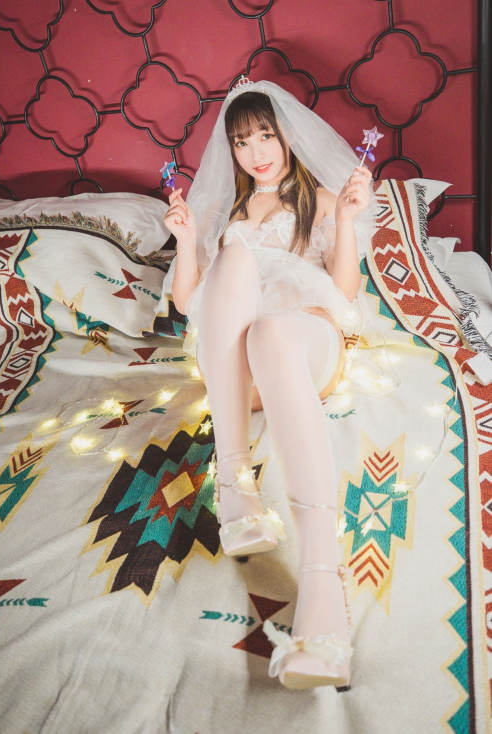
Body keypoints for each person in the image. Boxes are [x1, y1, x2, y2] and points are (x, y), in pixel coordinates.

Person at [161, 77, 375, 691]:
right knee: (234, 263)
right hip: (240, 372)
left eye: (264, 136)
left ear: (286, 136)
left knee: (273, 330)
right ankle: (236, 485)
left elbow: (345, 290)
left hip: (306, 345)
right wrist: (186, 242)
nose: (256, 152)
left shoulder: (320, 198)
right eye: (241, 142)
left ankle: (323, 594)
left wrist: (347, 220)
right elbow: (190, 303)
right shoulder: (227, 215)